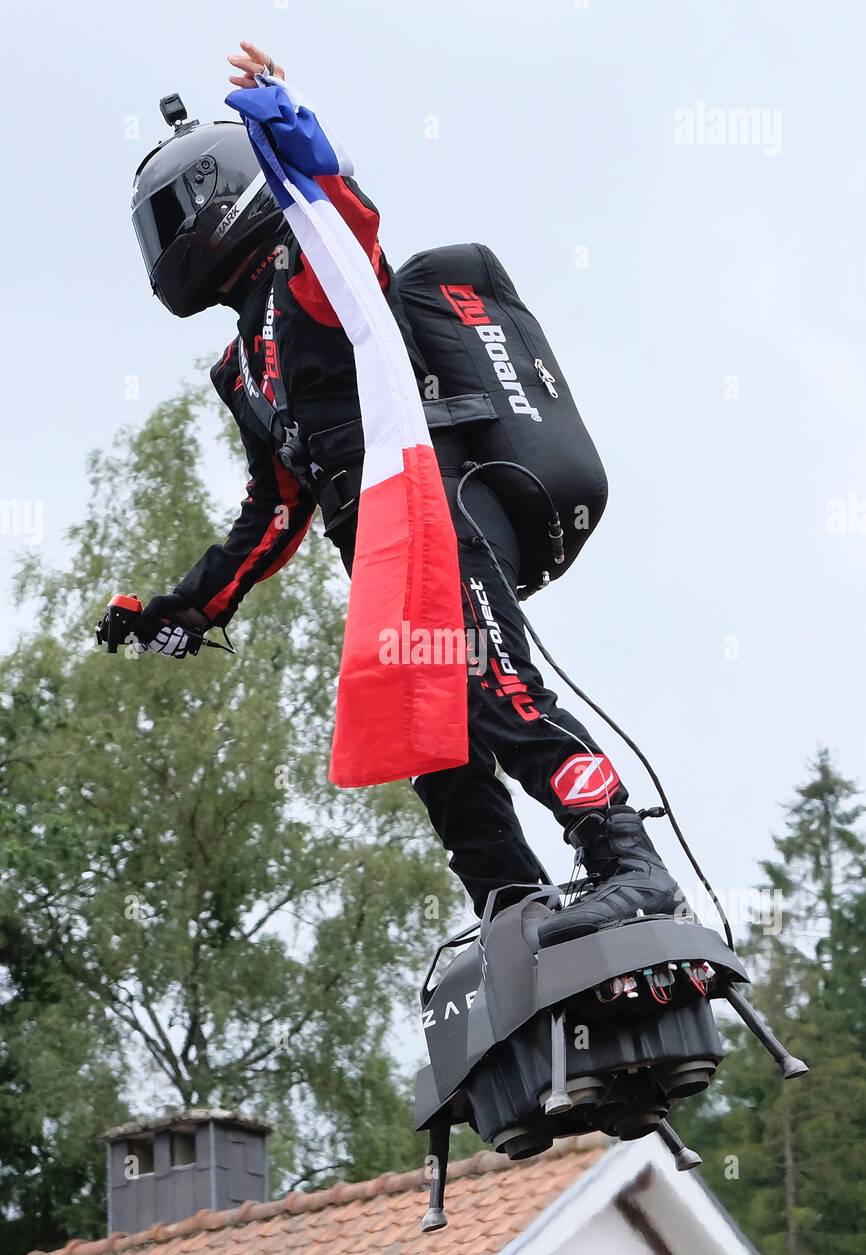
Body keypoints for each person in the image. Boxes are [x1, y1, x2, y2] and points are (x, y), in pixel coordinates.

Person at [129, 41, 682, 940]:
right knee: (432, 736)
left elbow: (347, 216)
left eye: (167, 217)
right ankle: (516, 913)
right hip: (382, 550)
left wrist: (287, 119)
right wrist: (188, 608)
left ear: (217, 196)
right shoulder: (241, 366)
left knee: (489, 682)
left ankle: (629, 861)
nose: (162, 246)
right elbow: (274, 509)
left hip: (440, 506)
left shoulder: (310, 272)